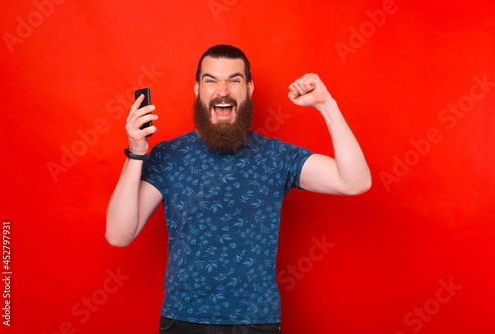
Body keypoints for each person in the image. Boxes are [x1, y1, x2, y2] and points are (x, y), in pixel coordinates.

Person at [106, 44, 371, 334]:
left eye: (233, 80)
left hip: (257, 323)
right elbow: (118, 235)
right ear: (197, 90)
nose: (223, 90)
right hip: (183, 320)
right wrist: (136, 152)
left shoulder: (275, 157)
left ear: (249, 89)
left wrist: (326, 106)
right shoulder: (169, 156)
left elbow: (355, 182)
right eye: (211, 80)